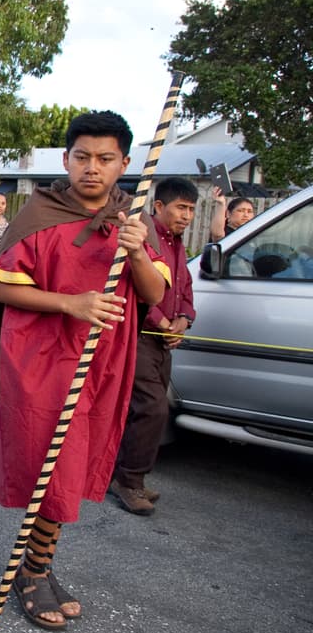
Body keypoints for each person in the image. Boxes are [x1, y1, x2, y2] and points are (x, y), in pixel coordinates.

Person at [0, 110, 169, 632]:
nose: (92, 168)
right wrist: (71, 304)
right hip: (43, 359)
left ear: (125, 163)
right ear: (67, 159)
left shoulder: (133, 221)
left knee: (73, 464)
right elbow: (1, 288)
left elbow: (154, 293)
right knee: (56, 464)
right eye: (82, 157)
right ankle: (34, 572)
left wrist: (136, 252)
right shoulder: (39, 214)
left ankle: (37, 566)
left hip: (104, 362)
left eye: (105, 159)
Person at [110, 176, 198, 515]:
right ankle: (128, 482)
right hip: (140, 337)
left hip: (164, 342)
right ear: (159, 206)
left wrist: (184, 321)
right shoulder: (143, 237)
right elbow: (135, 288)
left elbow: (185, 289)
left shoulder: (178, 244)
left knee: (142, 409)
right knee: (153, 407)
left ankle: (122, 472)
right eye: (180, 208)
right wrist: (162, 322)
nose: (186, 215)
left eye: (191, 209)